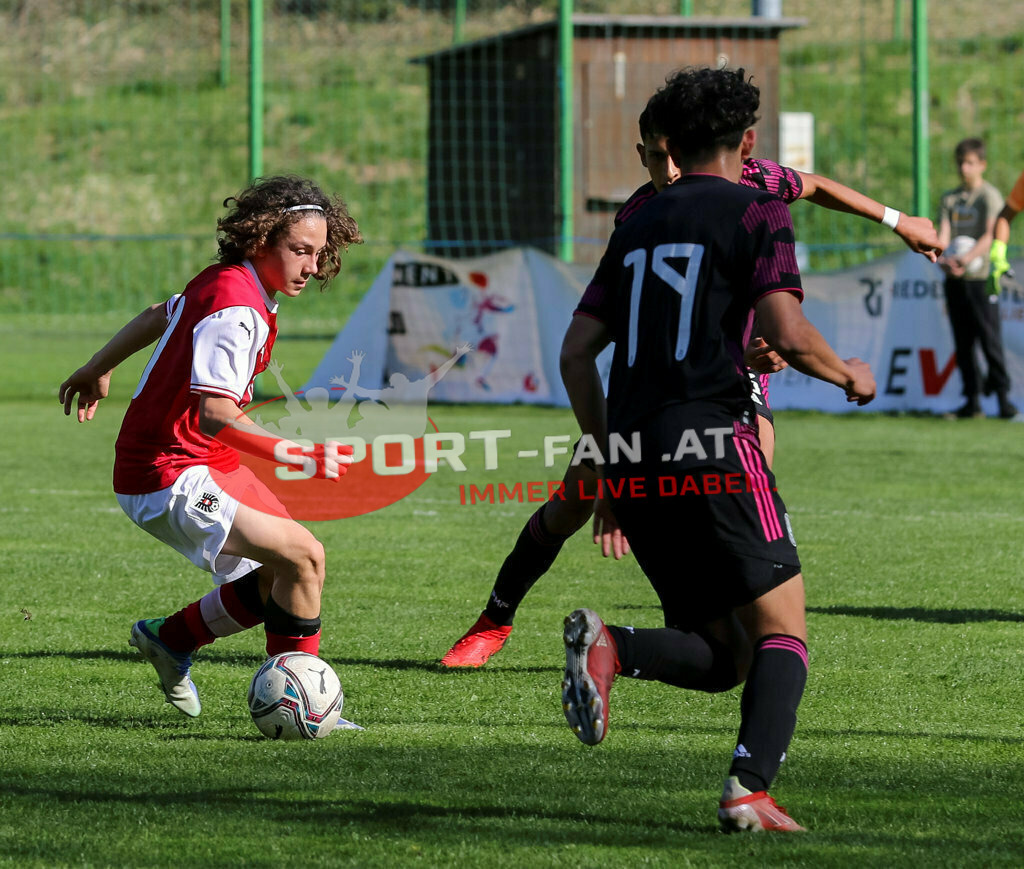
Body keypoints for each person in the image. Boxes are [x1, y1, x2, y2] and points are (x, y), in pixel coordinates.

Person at [438, 96, 939, 670]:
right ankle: (495, 618)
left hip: (728, 390)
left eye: (675, 156)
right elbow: (626, 329)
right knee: (575, 498)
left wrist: (899, 222)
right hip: (651, 392)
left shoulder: (750, 183)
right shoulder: (640, 217)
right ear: (644, 154)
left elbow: (815, 187)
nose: (669, 171)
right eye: (656, 158)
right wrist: (611, 459)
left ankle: (704, 630)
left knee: (749, 477)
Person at [558, 65, 875, 833]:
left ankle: (614, 646)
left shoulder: (636, 220)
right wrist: (847, 373)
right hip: (716, 439)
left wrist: (607, 460)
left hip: (635, 449)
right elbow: (788, 332)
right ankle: (749, 787)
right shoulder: (758, 209)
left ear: (671, 143)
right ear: (748, 141)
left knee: (725, 651)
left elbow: (575, 353)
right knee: (783, 630)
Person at [58, 175, 362, 718]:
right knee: (303, 555)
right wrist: (300, 454)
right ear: (260, 240)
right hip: (164, 472)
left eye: (319, 253)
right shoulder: (236, 306)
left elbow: (159, 313)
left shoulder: (232, 282)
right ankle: (308, 704)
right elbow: (215, 411)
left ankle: (174, 640)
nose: (312, 267)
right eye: (300, 251)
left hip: (204, 461)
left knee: (290, 570)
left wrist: (96, 367)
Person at [936, 138, 1016, 419]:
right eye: (960, 162)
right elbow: (944, 235)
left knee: (989, 339)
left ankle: (1004, 401)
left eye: (969, 162)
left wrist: (967, 260)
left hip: (981, 279)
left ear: (982, 165)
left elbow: (991, 233)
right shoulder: (950, 199)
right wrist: (942, 258)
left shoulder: (989, 197)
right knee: (963, 342)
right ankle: (972, 401)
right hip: (955, 279)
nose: (964, 167)